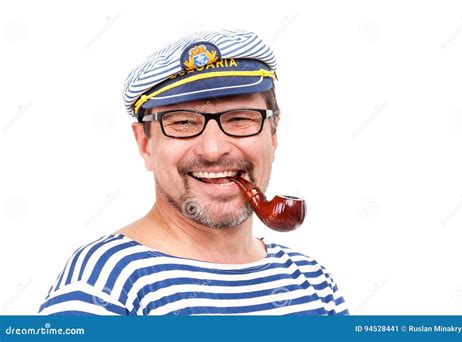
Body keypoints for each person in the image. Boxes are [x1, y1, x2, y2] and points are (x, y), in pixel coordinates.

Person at [38, 30, 349, 315]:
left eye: (240, 118)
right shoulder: (103, 283)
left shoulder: (314, 282)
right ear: (146, 144)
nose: (213, 150)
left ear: (273, 135)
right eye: (183, 122)